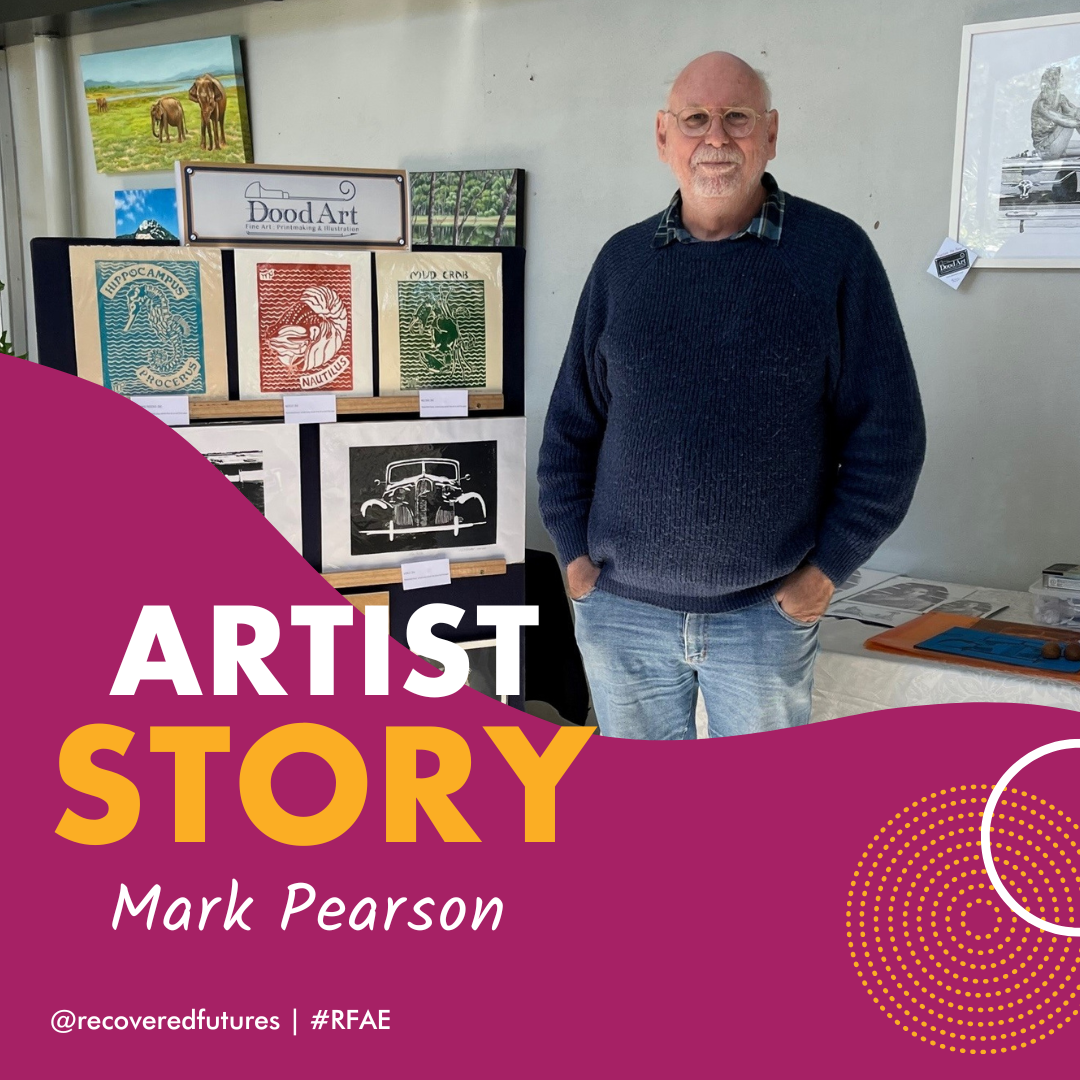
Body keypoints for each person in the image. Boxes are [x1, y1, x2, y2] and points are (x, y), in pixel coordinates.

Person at [537, 51, 926, 740]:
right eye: (695, 119)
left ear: (770, 134)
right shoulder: (622, 265)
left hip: (763, 619)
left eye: (737, 118)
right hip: (621, 614)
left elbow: (888, 438)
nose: (716, 138)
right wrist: (572, 557)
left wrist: (826, 571)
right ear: (664, 137)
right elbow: (572, 428)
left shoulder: (834, 257)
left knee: (762, 827)